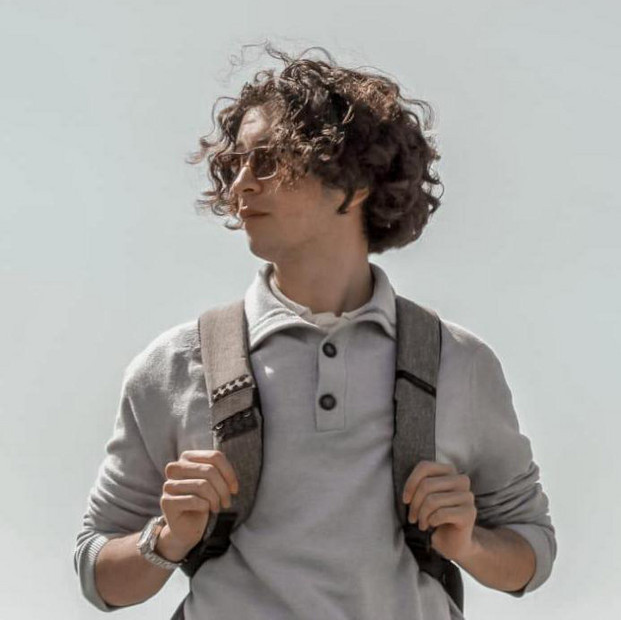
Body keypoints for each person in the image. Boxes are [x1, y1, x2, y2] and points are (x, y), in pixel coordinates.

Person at [73, 44, 556, 619]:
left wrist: (470, 544)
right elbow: (98, 575)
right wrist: (167, 538)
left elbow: (532, 551)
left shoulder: (459, 362)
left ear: (353, 182)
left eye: (268, 161)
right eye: (236, 164)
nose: (241, 185)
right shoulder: (173, 365)